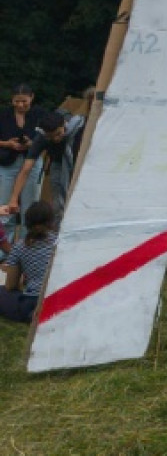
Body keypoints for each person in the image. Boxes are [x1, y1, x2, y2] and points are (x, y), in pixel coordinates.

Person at [1, 106, 81, 225]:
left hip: (80, 161)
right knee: (59, 201)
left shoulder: (79, 129)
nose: (56, 139)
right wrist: (13, 199)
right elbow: (25, 170)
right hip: (58, 164)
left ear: (64, 124)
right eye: (51, 136)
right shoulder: (42, 138)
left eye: (58, 133)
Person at [0, 200, 57, 323]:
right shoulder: (60, 243)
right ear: (52, 222)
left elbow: (11, 285)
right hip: (57, 297)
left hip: (31, 300)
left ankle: (33, 313)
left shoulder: (19, 246)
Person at [0, 86, 39, 235]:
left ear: (32, 97)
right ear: (12, 99)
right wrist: (7, 143)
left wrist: (32, 143)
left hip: (32, 161)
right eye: (17, 101)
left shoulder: (39, 114)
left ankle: (26, 241)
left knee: (29, 207)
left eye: (24, 101)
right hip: (8, 163)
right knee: (5, 206)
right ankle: (4, 242)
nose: (21, 105)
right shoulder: (3, 115)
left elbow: (46, 137)